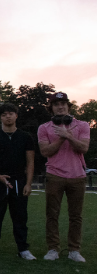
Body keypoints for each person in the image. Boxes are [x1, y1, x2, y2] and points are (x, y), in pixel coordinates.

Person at [38, 92, 90, 262]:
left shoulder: (82, 125)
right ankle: (53, 249)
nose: (60, 107)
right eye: (56, 104)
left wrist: (68, 135)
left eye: (63, 103)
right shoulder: (44, 128)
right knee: (52, 214)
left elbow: (84, 148)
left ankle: (74, 250)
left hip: (77, 176)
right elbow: (45, 151)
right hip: (54, 175)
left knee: (76, 216)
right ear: (51, 108)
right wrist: (61, 138)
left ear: (68, 106)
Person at [0, 103, 36, 260]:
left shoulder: (26, 137)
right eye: (4, 114)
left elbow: (30, 162)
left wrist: (28, 183)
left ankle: (23, 249)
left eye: (11, 113)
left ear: (16, 115)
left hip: (19, 180)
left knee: (20, 216)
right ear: (0, 117)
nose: (8, 116)